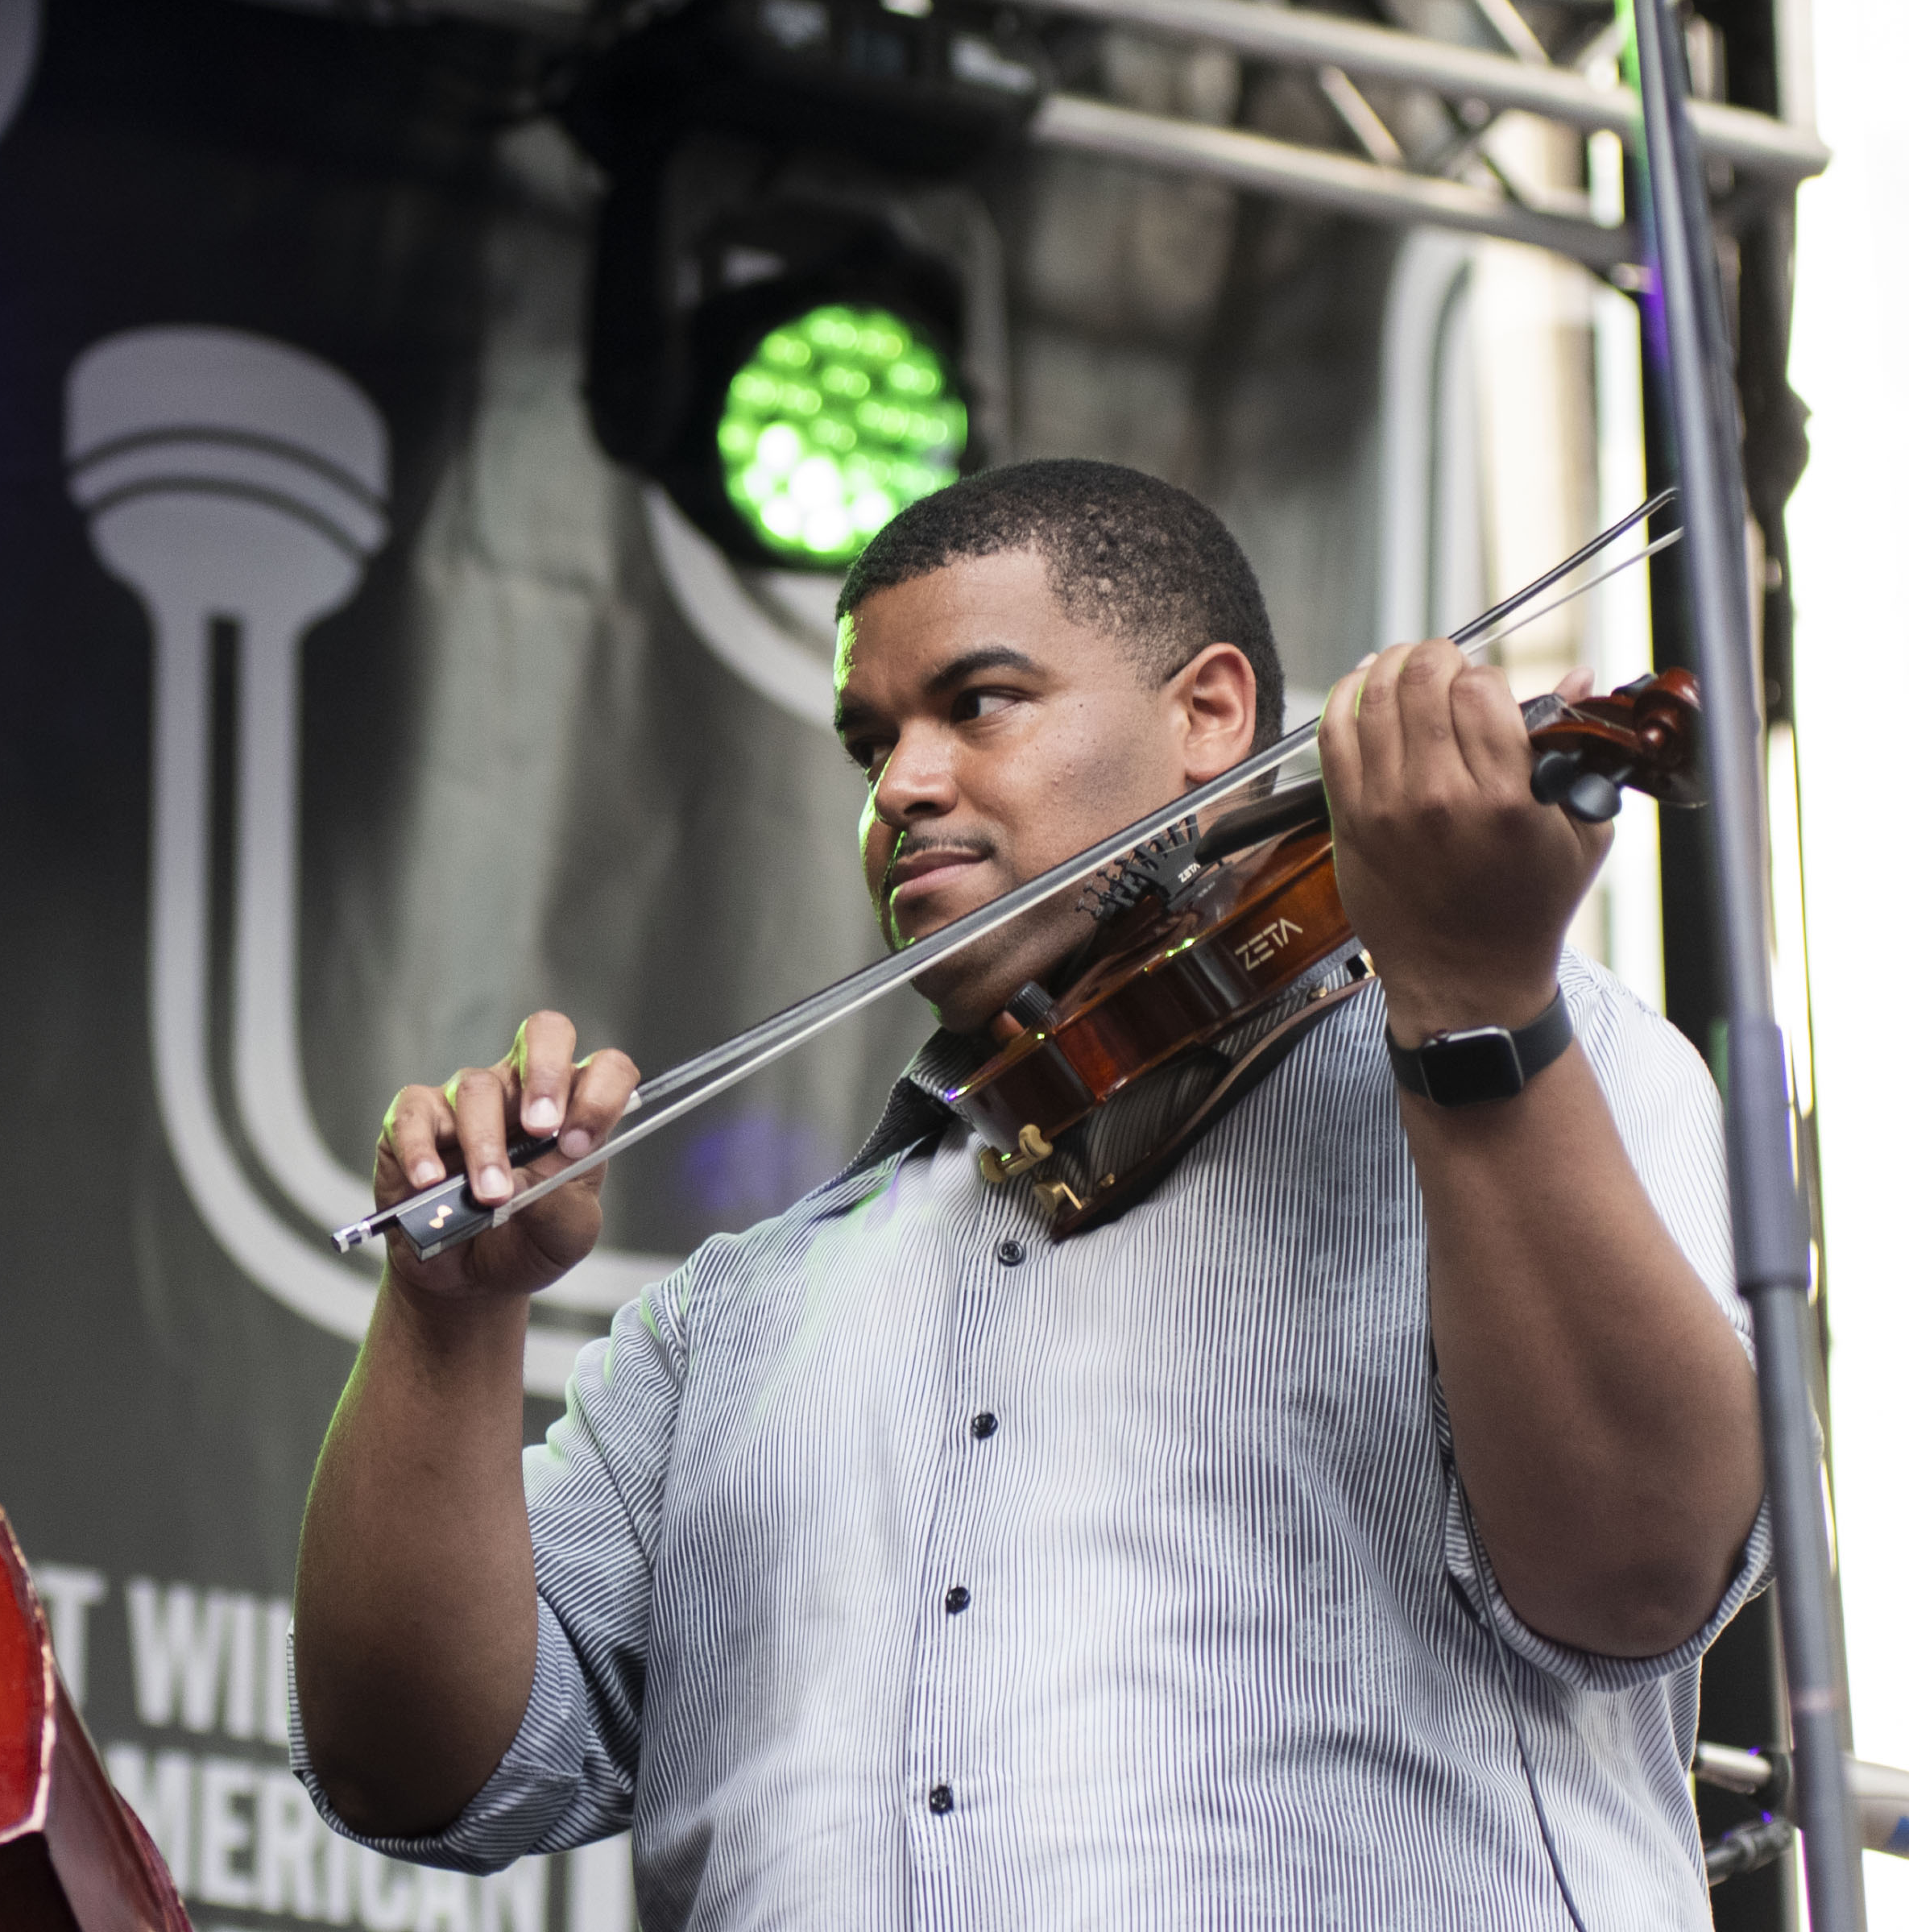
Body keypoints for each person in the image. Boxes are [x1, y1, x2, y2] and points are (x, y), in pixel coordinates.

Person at [291, 459, 1766, 1928]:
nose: (904, 789)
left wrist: (1479, 1006)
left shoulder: (1508, 1059)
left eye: (978, 705)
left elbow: (1635, 1575)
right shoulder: (734, 1319)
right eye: (872, 748)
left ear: (1209, 716)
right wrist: (449, 1318)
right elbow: (409, 1771)